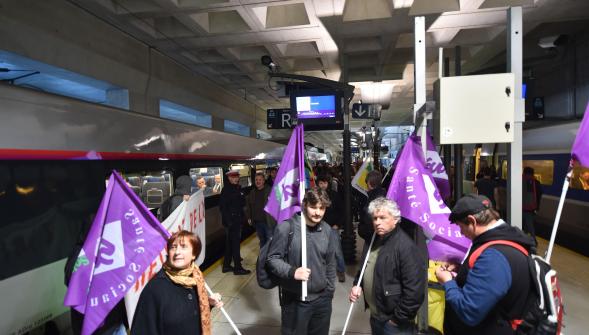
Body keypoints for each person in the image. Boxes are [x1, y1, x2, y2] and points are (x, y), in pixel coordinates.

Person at [435, 194, 535, 335]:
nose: (461, 233)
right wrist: (464, 270)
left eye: (461, 227)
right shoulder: (505, 239)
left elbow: (469, 311)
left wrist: (447, 282)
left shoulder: (494, 257)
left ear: (472, 221)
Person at [349, 197, 426, 335]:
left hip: (393, 324)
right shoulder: (373, 240)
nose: (377, 222)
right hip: (376, 316)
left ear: (395, 219)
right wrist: (357, 284)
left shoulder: (406, 247)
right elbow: (365, 267)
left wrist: (396, 319)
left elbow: (415, 292)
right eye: (375, 218)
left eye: (383, 217)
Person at [266, 188, 337, 335]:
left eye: (322, 208)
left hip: (322, 300)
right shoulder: (286, 228)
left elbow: (330, 263)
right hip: (294, 300)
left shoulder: (327, 230)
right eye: (313, 207)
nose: (318, 213)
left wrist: (329, 292)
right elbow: (272, 259)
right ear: (304, 205)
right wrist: (292, 272)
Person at [131, 231, 223, 335]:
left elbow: (186, 316)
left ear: (194, 254)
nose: (177, 252)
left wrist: (207, 304)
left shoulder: (195, 277)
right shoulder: (155, 289)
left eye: (183, 247)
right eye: (173, 247)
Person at [219, 169, 251, 275]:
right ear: (229, 178)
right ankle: (238, 268)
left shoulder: (237, 188)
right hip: (232, 222)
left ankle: (226, 266)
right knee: (235, 244)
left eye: (237, 177)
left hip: (237, 219)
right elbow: (223, 208)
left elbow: (242, 203)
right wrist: (229, 222)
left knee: (229, 244)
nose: (236, 179)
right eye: (233, 177)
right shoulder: (226, 190)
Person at [316, 174, 346, 283]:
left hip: (332, 227)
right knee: (320, 250)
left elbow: (342, 210)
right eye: (320, 183)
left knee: (337, 250)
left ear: (328, 183)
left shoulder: (334, 195)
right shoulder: (315, 196)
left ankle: (341, 271)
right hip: (319, 227)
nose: (323, 185)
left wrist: (338, 224)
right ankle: (322, 272)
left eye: (324, 183)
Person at [358, 170, 387, 250]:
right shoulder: (384, 195)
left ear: (369, 183)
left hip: (373, 239)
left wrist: (362, 231)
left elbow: (368, 222)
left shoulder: (373, 200)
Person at [246, 172, 276, 247]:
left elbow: (276, 205)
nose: (258, 181)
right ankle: (263, 257)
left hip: (268, 222)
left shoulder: (270, 191)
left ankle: (269, 258)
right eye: (256, 180)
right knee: (262, 241)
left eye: (260, 180)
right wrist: (249, 217)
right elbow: (249, 206)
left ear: (263, 181)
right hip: (257, 222)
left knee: (270, 242)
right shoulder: (252, 192)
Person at [522, 167, 542, 245]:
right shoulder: (536, 182)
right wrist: (537, 207)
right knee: (528, 223)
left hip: (522, 207)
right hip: (532, 207)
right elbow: (539, 195)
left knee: (528, 224)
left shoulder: (521, 181)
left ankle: (533, 240)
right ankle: (526, 239)